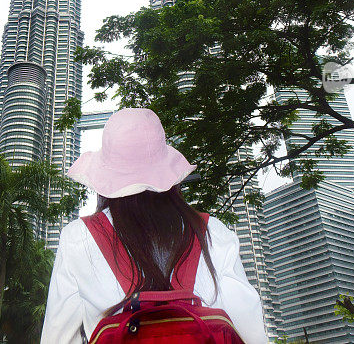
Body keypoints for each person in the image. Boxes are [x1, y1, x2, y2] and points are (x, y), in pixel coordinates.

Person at [41, 108, 268, 343]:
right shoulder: (213, 232)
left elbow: (58, 338)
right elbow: (251, 334)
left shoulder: (78, 238)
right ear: (167, 173)